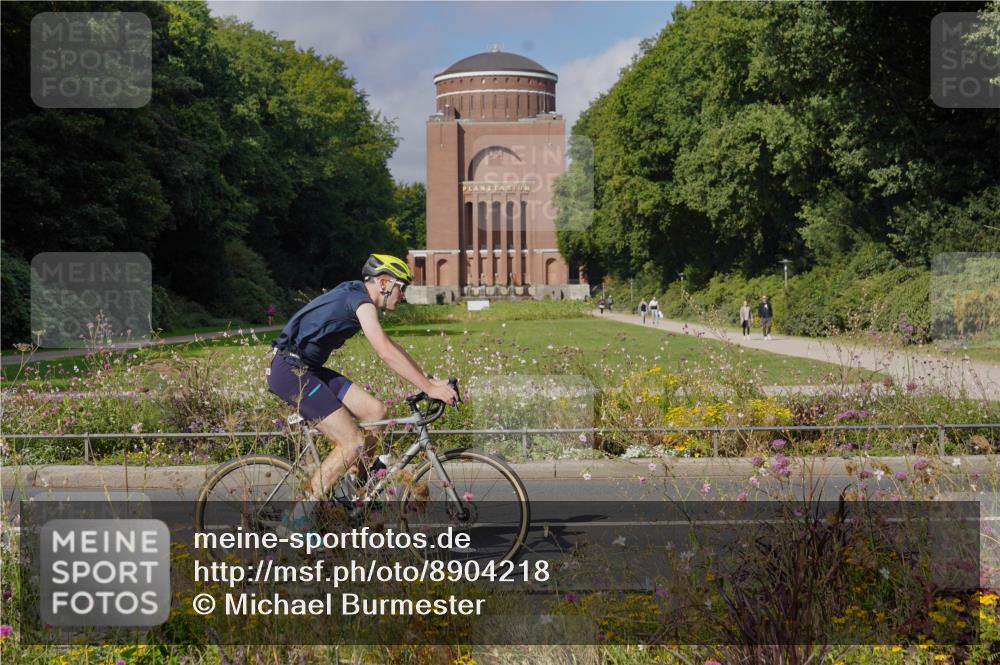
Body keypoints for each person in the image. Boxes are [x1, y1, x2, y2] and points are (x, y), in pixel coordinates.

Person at [267, 253, 458, 531]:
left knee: (376, 412)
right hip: (289, 371)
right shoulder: (360, 301)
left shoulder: (357, 295)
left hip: (308, 368)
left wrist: (429, 380)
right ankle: (297, 518)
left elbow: (391, 346)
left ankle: (351, 490)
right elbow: (384, 350)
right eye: (402, 288)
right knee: (352, 441)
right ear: (384, 283)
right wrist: (428, 388)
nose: (403, 296)